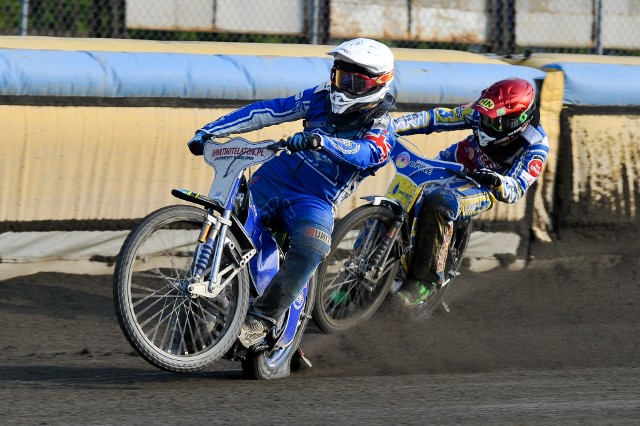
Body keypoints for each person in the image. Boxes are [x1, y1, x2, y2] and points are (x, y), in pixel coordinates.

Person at [187, 38, 399, 347]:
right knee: (229, 218)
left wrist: (322, 141)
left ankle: (262, 318)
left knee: (314, 247)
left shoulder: (383, 128)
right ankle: (205, 294)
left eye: (354, 80)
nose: (342, 86)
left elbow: (365, 153)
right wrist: (210, 130)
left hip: (315, 200)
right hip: (274, 178)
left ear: (378, 84)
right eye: (340, 76)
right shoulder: (318, 97)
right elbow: (269, 111)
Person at [393, 77, 549, 305]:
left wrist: (497, 181)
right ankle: (366, 264)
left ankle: (425, 282)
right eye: (485, 116)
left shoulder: (536, 145)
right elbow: (436, 118)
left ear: (517, 121)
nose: (486, 123)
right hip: (454, 162)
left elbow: (516, 188)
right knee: (405, 186)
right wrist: (390, 127)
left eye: (495, 122)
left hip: (484, 186)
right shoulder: (481, 112)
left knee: (439, 201)